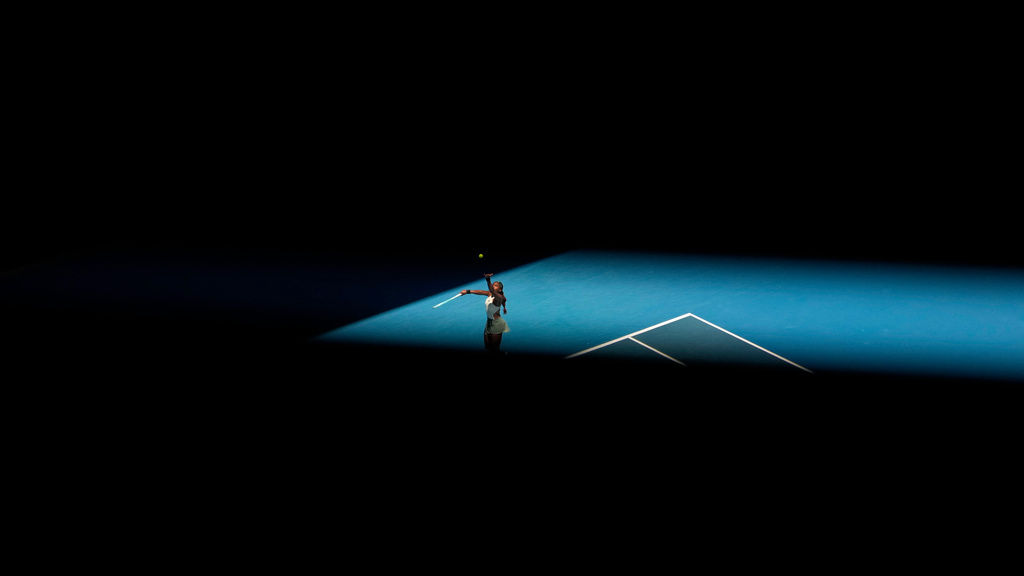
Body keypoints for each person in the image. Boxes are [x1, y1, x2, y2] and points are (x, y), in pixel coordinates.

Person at [461, 273, 509, 355]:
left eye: (496, 285)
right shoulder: (490, 294)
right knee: (487, 347)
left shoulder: (499, 298)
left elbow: (491, 290)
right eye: (493, 284)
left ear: (500, 290)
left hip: (496, 324)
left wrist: (488, 280)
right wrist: (468, 291)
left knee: (495, 349)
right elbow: (481, 291)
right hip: (489, 323)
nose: (493, 286)